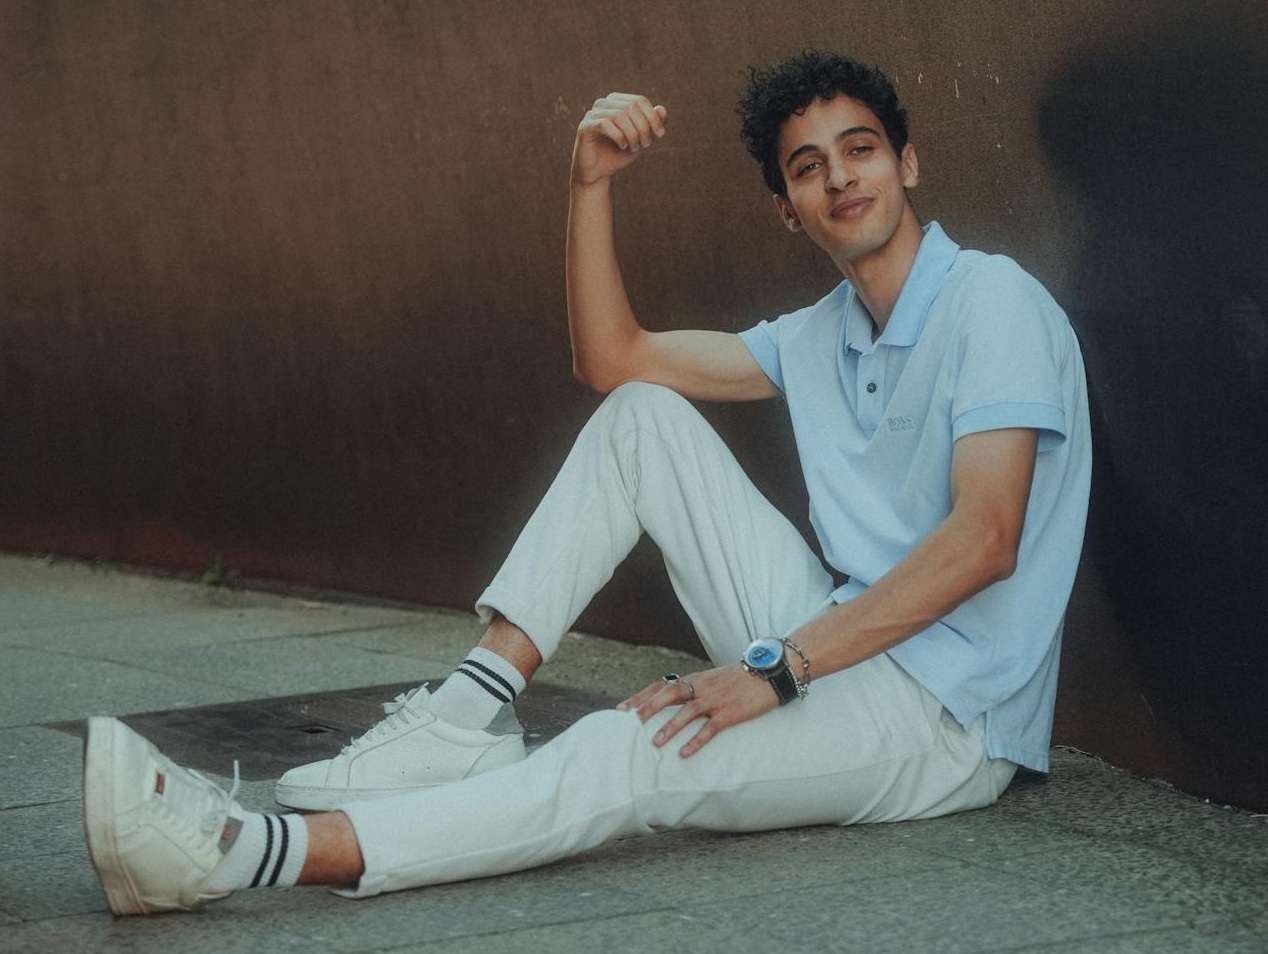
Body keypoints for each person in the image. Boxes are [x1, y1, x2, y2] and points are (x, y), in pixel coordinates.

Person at [82, 51, 1091, 915]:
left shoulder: (989, 301)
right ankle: (466, 712)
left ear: (906, 161)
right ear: (785, 209)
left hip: (942, 722)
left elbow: (983, 539)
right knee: (641, 418)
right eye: (808, 167)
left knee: (629, 749)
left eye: (860, 149)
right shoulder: (819, 332)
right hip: (835, 637)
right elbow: (614, 361)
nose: (840, 179)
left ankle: (244, 854)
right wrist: (588, 185)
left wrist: (775, 670)